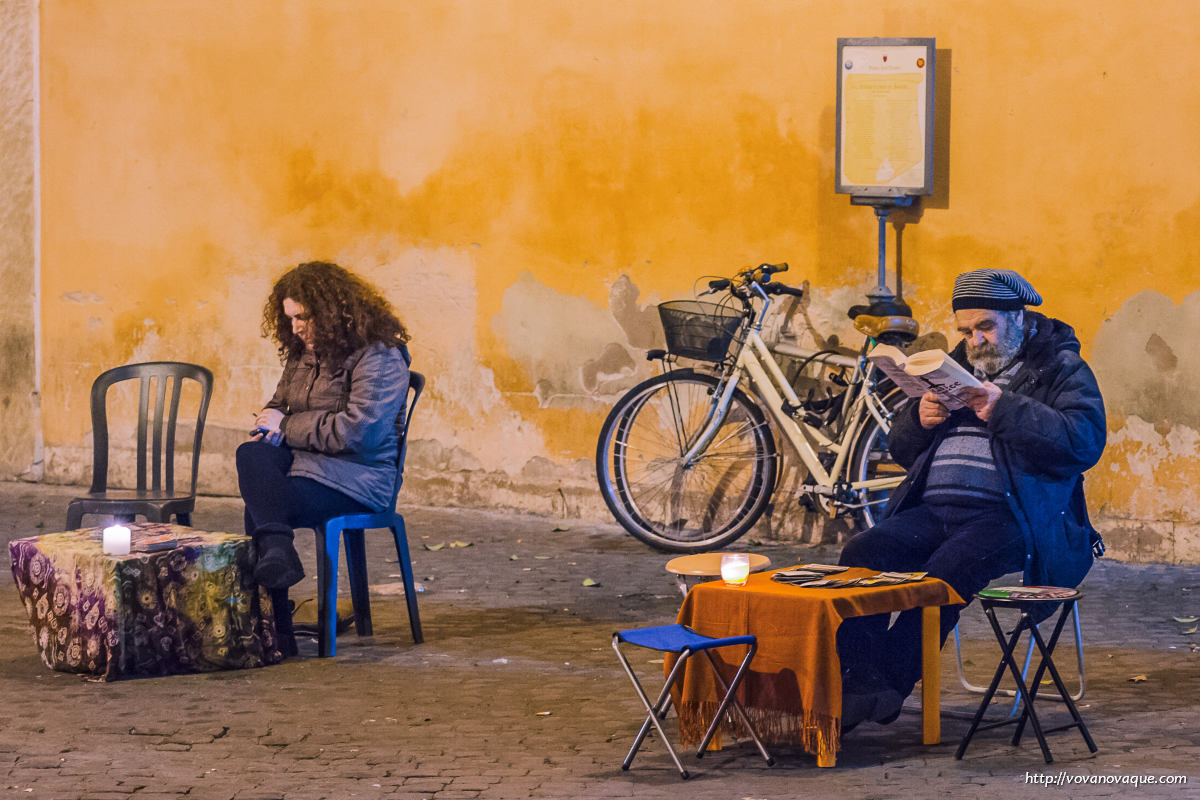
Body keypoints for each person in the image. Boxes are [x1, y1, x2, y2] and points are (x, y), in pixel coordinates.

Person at [836, 268, 1106, 728]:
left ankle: (885, 685)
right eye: (965, 330)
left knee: (946, 572)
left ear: (1017, 317)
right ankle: (858, 681)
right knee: (863, 554)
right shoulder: (953, 365)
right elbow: (901, 451)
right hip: (934, 509)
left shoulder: (1060, 367)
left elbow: (1083, 442)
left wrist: (1004, 408)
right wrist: (920, 418)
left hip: (1011, 514)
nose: (975, 339)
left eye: (985, 327)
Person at [237, 261, 411, 658]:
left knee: (263, 507)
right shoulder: (304, 355)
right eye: (290, 318)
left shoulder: (380, 356)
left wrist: (287, 426)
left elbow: (360, 432)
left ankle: (279, 637)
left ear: (334, 312)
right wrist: (270, 426)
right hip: (309, 466)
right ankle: (279, 552)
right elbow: (279, 405)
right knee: (252, 455)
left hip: (359, 479)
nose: (295, 327)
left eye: (303, 317)